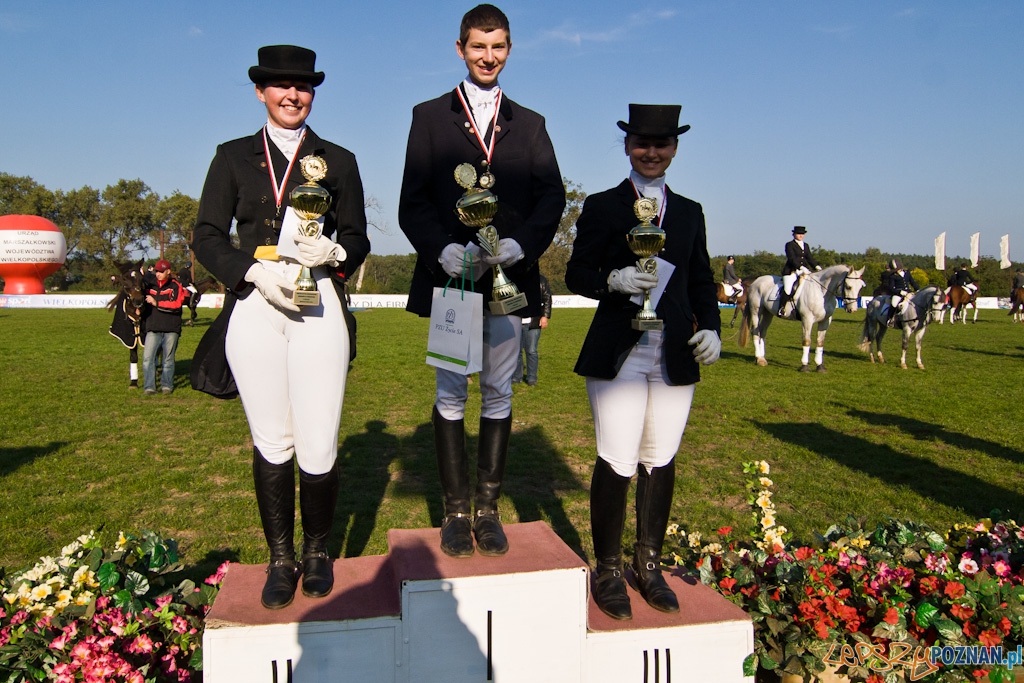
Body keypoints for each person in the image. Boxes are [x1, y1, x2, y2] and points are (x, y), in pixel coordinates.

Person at [191, 45, 370, 609]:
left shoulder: (337, 160)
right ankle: (281, 557)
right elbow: (206, 234)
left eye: (303, 87)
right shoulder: (233, 156)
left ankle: (318, 552)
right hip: (256, 305)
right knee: (273, 440)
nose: (292, 95)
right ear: (261, 92)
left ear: (312, 93)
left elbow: (360, 235)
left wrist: (337, 251)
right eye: (281, 86)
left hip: (319, 304)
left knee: (317, 442)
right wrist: (250, 273)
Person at [398, 4, 565, 559]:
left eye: (497, 47)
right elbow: (412, 202)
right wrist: (440, 249)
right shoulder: (427, 117)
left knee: (498, 390)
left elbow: (552, 198)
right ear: (460, 49)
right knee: (451, 393)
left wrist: (523, 246)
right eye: (477, 47)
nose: (487, 57)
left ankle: (489, 511)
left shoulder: (532, 124)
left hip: (507, 281)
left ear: (509, 50)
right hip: (453, 281)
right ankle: (455, 512)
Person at [565, 104, 721, 620]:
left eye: (662, 145)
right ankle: (608, 568)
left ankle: (648, 564)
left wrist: (713, 330)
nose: (652, 153)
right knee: (618, 457)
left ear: (675, 148)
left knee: (661, 457)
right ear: (628, 146)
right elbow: (577, 272)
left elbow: (700, 279)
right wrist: (612, 279)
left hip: (674, 350)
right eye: (642, 144)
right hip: (619, 350)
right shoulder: (605, 205)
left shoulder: (691, 211)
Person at [141, 259, 186, 395]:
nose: (158, 274)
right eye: (156, 271)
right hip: (153, 327)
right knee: (148, 358)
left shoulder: (175, 286)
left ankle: (167, 386)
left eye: (161, 271)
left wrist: (156, 303)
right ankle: (149, 387)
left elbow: (176, 305)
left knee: (168, 359)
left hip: (171, 328)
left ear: (168, 272)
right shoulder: (150, 285)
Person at [512, 273, 551, 386]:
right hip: (515, 321)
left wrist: (545, 316)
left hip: (533, 321)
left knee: (531, 351)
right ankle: (516, 377)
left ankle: (532, 378)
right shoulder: (514, 279)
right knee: (516, 352)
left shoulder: (541, 280)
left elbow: (547, 298)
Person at [779, 226, 820, 316]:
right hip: (791, 271)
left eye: (802, 234)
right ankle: (782, 307)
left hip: (804, 271)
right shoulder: (789, 245)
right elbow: (791, 258)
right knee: (788, 289)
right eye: (799, 234)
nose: (801, 235)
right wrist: (800, 267)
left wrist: (817, 266)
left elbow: (809, 258)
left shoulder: (806, 245)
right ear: (794, 234)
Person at [884, 259, 918, 327]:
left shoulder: (907, 273)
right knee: (894, 303)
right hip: (898, 294)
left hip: (908, 293)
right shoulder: (892, 276)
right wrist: (900, 292)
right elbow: (891, 288)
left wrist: (918, 290)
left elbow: (913, 283)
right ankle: (890, 319)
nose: (897, 271)